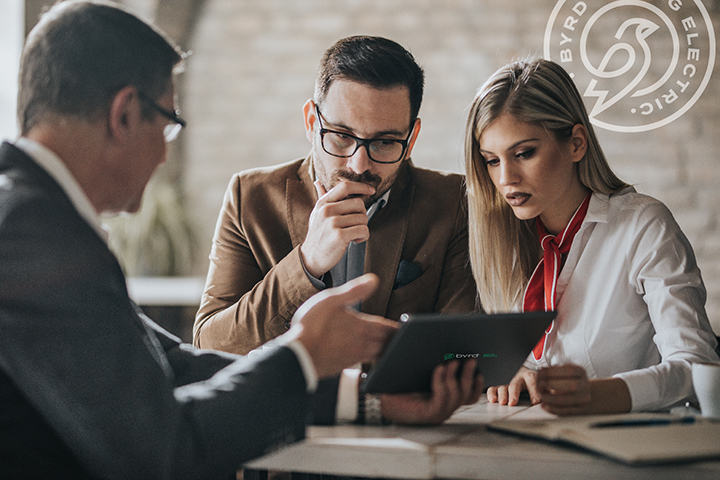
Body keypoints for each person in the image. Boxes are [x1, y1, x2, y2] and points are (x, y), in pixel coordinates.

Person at [0, 2, 482, 478]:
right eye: (168, 124)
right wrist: (303, 352)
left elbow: (169, 363)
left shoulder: (33, 220)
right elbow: (167, 451)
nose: (165, 158)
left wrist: (360, 396)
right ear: (125, 114)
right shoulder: (30, 234)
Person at [192, 35, 478, 422]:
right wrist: (307, 263)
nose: (359, 163)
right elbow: (211, 343)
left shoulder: (454, 202)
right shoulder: (251, 197)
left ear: (411, 139)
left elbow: (461, 349)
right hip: (284, 434)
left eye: (385, 142)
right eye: (341, 136)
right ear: (312, 122)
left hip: (403, 434)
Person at [463, 58, 719, 415]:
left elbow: (696, 366)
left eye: (524, 153)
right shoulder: (503, 241)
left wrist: (600, 395)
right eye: (492, 160)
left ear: (577, 143)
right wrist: (516, 371)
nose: (506, 178)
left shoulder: (642, 225)